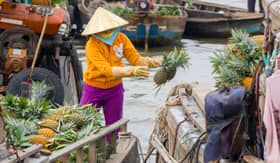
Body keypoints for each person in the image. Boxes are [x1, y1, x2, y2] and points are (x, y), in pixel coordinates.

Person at [80, 7, 162, 140]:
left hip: (115, 90)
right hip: (94, 89)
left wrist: (153, 62)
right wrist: (131, 71)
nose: (108, 32)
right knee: (84, 125)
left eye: (110, 28)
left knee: (114, 128)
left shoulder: (121, 38)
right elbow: (106, 70)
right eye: (104, 30)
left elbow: (135, 58)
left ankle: (112, 153)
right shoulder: (92, 45)